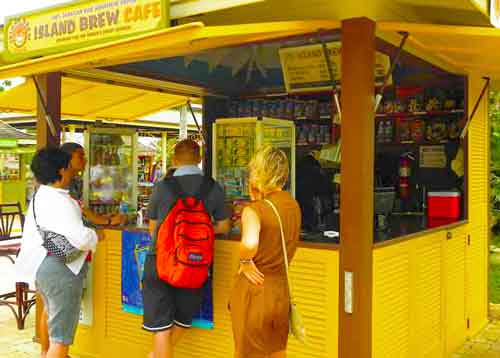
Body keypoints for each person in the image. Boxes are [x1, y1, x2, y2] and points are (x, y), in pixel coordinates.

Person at [142, 139, 231, 358]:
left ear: (174, 159)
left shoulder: (162, 187)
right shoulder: (213, 187)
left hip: (160, 262)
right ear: (199, 159)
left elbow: (153, 227)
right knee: (183, 319)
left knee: (161, 328)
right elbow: (224, 226)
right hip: (195, 262)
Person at [15, 147, 100, 358]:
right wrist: (95, 235)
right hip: (61, 271)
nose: (73, 171)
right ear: (61, 170)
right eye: (69, 166)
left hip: (44, 267)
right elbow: (80, 238)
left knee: (55, 327)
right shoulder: (59, 201)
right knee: (61, 340)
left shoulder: (42, 196)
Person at [230, 145, 301, 358]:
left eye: (252, 170)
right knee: (278, 353)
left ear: (262, 173)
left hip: (255, 290)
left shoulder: (254, 210)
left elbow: (250, 243)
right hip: (280, 290)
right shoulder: (293, 205)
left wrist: (244, 261)